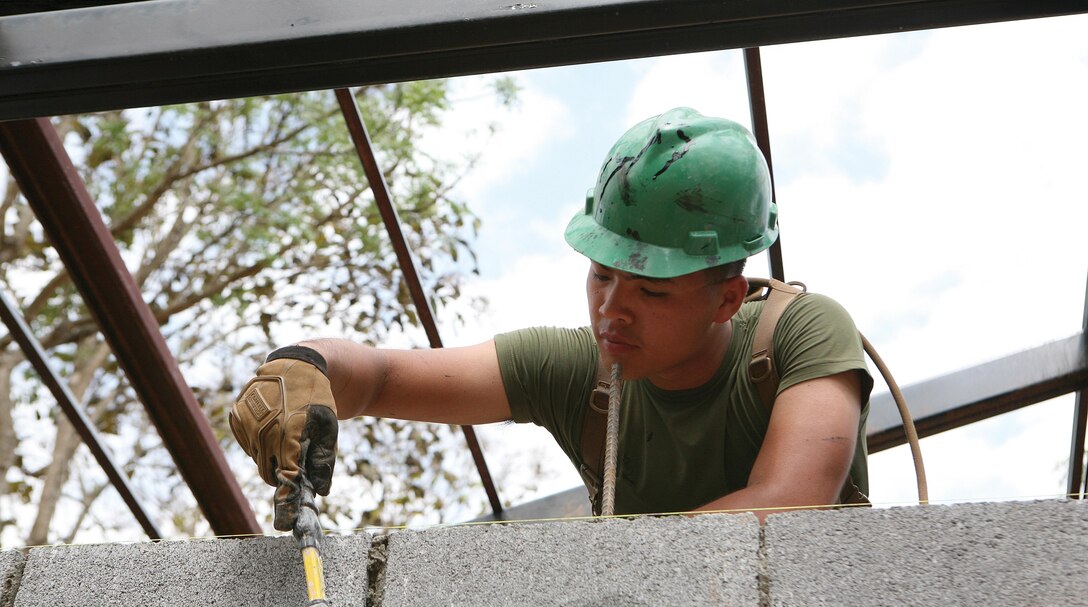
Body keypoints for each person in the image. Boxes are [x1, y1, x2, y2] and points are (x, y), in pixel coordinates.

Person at [229, 107, 872, 530]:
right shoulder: (574, 372)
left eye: (651, 293)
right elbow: (382, 379)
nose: (611, 310)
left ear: (727, 299)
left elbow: (790, 501)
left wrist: (589, 570)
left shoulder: (801, 333)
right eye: (601, 274)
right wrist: (303, 367)